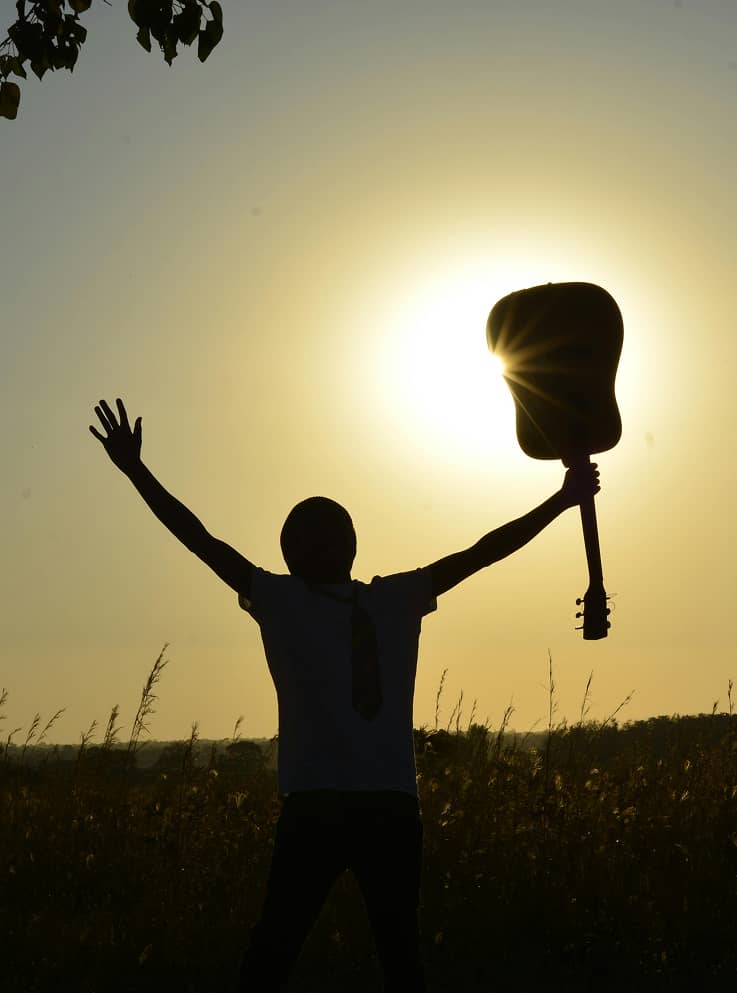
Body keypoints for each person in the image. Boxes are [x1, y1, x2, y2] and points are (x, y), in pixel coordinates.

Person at [89, 396, 600, 993]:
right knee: (339, 954)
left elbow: (484, 551)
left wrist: (561, 502)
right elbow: (198, 537)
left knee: (333, 955)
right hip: (357, 806)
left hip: (350, 807)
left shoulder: (338, 600)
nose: (316, 544)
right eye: (313, 535)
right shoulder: (342, 599)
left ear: (314, 549)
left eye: (318, 534)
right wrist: (560, 501)